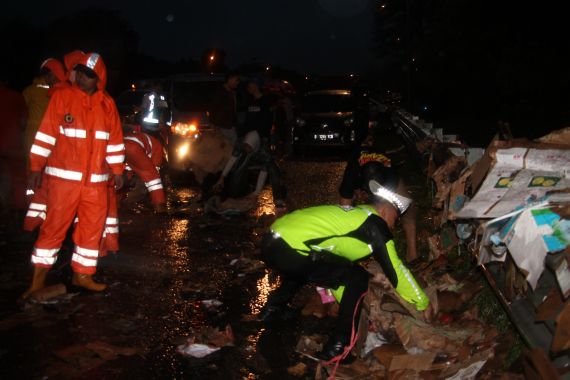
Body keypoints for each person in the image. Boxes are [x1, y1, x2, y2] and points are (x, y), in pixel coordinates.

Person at [259, 166, 432, 362]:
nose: (395, 224)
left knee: (311, 268)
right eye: (395, 217)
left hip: (273, 241)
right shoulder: (374, 225)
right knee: (357, 278)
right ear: (386, 209)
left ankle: (273, 310)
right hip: (289, 248)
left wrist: (347, 307)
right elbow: (396, 271)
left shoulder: (355, 216)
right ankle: (340, 347)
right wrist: (422, 302)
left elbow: (336, 272)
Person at [22, 52, 125, 298]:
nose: (82, 78)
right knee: (53, 229)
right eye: (79, 72)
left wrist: (118, 170)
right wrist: (36, 167)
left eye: (88, 75)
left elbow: (115, 142)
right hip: (63, 182)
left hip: (96, 184)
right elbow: (45, 135)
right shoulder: (62, 97)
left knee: (91, 231)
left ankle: (83, 276)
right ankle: (37, 282)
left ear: (98, 78)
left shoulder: (107, 104)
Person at [339, 132, 419, 263]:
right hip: (362, 177)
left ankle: (412, 253)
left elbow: (389, 213)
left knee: (409, 208)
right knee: (347, 214)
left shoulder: (390, 175)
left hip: (386, 179)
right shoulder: (351, 175)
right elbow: (344, 208)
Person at [22, 58, 67, 155]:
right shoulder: (67, 92)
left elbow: (19, 110)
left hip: (37, 137)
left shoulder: (31, 90)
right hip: (50, 138)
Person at [210, 72, 240, 144]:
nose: (238, 83)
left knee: (231, 148)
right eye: (236, 80)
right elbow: (212, 109)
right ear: (230, 79)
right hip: (221, 128)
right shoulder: (219, 92)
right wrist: (214, 126)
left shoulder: (232, 93)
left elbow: (233, 110)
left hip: (230, 127)